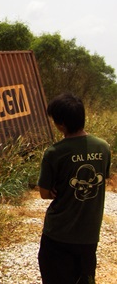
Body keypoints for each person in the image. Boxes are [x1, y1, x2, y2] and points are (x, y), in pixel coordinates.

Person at [37, 93, 111, 284]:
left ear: (61, 124)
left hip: (58, 234)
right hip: (88, 235)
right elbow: (103, 179)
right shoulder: (103, 148)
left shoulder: (54, 152)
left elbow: (44, 193)